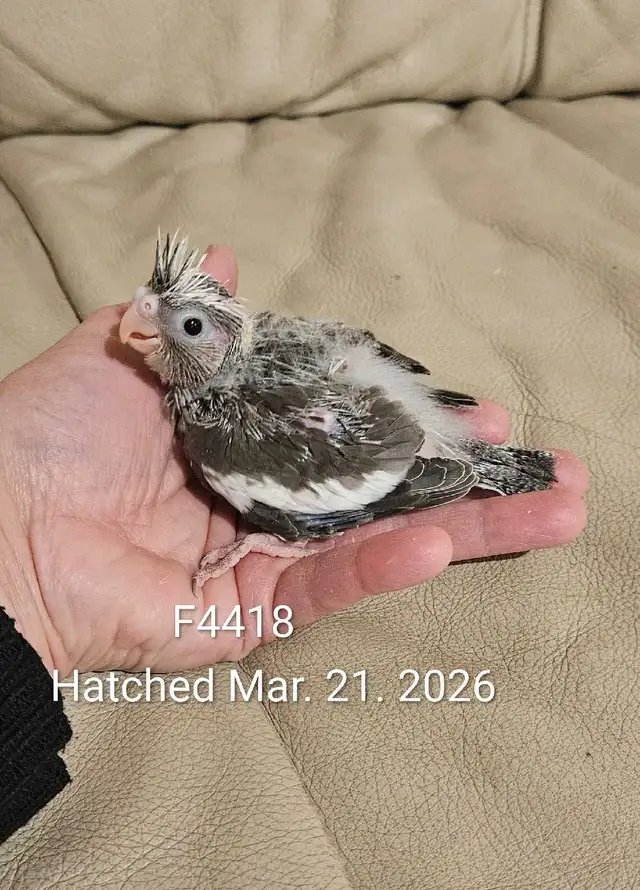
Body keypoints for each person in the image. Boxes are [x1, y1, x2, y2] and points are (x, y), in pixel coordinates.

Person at [0, 245, 588, 843]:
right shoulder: (266, 345)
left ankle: (487, 468)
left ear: (223, 339)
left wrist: (277, 537)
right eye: (146, 312)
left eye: (189, 326)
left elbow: (339, 451)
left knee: (290, 511)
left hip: (382, 446)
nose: (137, 328)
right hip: (369, 424)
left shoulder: (226, 432)